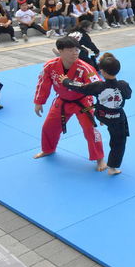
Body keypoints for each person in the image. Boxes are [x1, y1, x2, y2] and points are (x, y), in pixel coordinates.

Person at [33, 37, 106, 171]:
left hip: (83, 102)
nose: (75, 53)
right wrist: (39, 102)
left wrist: (103, 111)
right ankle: (48, 149)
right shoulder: (50, 66)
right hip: (62, 100)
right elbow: (43, 83)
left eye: (76, 49)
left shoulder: (85, 68)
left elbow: (99, 88)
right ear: (60, 51)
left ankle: (99, 158)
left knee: (90, 130)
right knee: (49, 126)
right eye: (70, 50)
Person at [60, 53, 131, 176]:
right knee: (119, 141)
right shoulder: (123, 85)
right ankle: (113, 167)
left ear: (102, 72)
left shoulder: (97, 86)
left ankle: (104, 120)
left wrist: (66, 81)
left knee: (101, 109)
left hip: (101, 114)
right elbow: (128, 96)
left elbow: (81, 87)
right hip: (117, 118)